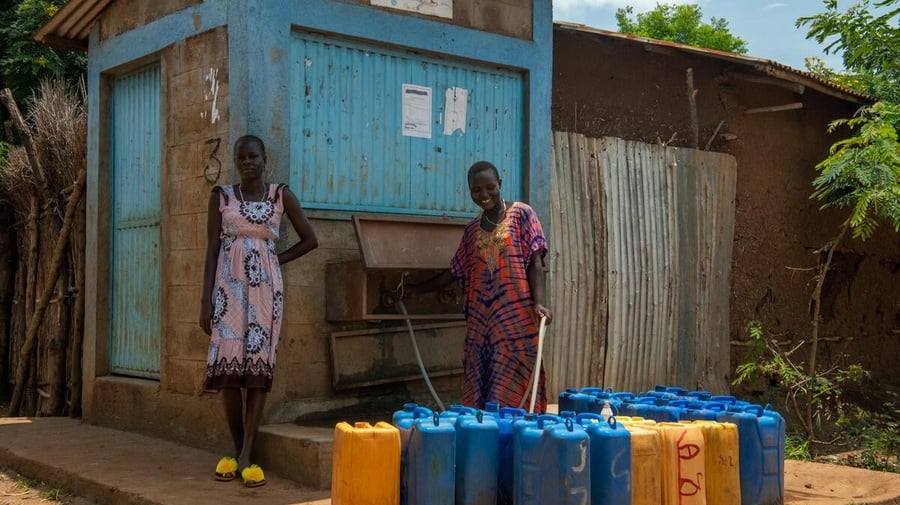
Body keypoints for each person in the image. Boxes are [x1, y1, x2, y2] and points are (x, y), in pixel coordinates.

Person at [199, 135, 318, 487]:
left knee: (256, 370)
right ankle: (239, 451)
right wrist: (205, 300)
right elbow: (210, 251)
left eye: (253, 156)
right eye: (241, 157)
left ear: (265, 159)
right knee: (228, 372)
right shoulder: (221, 197)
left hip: (266, 294)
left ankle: (248, 454)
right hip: (227, 292)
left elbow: (310, 239)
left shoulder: (280, 195)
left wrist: (274, 262)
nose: (247, 161)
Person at [406, 160, 553, 413]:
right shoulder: (472, 230)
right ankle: (484, 442)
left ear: (500, 185)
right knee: (482, 389)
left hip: (515, 323)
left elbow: (536, 261)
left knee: (516, 383)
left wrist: (539, 303)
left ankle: (517, 440)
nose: (484, 195)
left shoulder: (522, 214)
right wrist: (415, 290)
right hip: (481, 327)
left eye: (490, 187)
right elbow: (456, 271)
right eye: (477, 190)